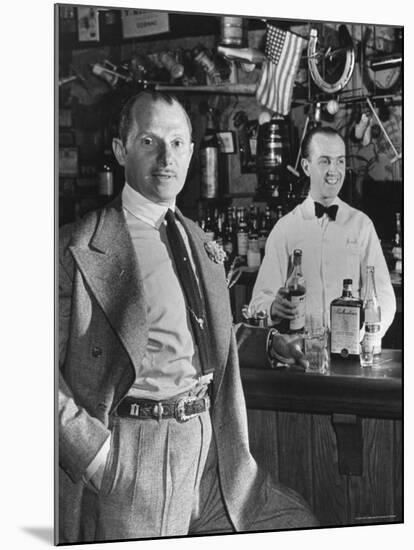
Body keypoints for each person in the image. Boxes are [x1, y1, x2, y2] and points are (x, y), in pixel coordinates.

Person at [58, 91, 317, 544]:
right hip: (136, 452)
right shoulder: (76, 246)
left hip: (215, 449)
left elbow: (199, 337)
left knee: (297, 524)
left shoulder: (198, 240)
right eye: (148, 142)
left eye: (177, 144)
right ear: (121, 150)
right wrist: (93, 454)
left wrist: (268, 343)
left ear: (193, 153)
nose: (166, 157)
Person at [250, 126, 396, 336]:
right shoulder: (285, 229)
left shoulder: (362, 225)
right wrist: (273, 308)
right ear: (306, 166)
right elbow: (258, 302)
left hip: (351, 351)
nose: (334, 171)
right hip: (299, 353)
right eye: (325, 161)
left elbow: (383, 295)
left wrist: (365, 336)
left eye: (340, 161)